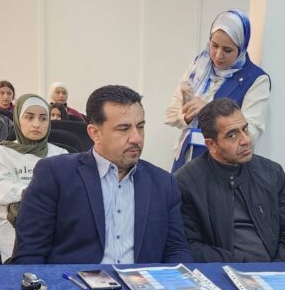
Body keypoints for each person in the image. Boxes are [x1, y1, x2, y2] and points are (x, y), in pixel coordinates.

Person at [12, 85, 192, 264]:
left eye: (140, 126)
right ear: (95, 133)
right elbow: (29, 254)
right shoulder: (55, 174)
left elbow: (176, 250)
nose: (136, 138)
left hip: (143, 281)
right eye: (123, 128)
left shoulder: (163, 183)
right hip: (73, 281)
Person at [174, 98, 285, 263]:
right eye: (232, 135)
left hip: (276, 270)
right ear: (211, 145)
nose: (246, 140)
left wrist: (274, 270)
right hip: (224, 271)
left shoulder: (272, 173)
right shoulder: (186, 183)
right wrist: (243, 266)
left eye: (245, 129)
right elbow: (191, 246)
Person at [165, 9, 270, 172]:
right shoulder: (199, 68)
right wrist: (186, 116)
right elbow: (170, 114)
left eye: (227, 50)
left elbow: (250, 132)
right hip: (185, 161)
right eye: (214, 45)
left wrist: (208, 110)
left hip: (222, 168)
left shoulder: (255, 79)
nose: (218, 55)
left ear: (241, 48)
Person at [0, 94, 67, 262]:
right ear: (17, 119)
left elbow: (69, 193)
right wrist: (41, 193)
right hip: (12, 225)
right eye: (29, 117)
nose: (36, 124)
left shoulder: (61, 154)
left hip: (57, 223)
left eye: (43, 118)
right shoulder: (1, 154)